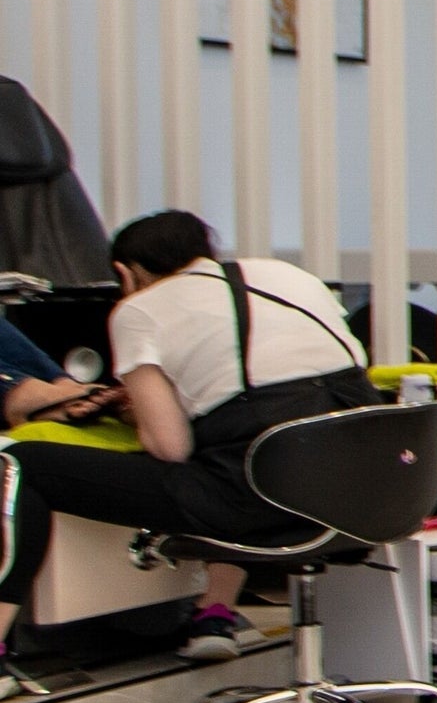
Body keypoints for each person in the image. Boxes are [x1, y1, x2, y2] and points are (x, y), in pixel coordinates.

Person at [1, 210, 378, 673]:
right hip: (368, 494)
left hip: (263, 501)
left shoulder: (139, 311)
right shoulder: (288, 276)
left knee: (22, 462)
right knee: (235, 450)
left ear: (125, 273)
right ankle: (214, 615)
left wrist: (136, 406)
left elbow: (169, 447)